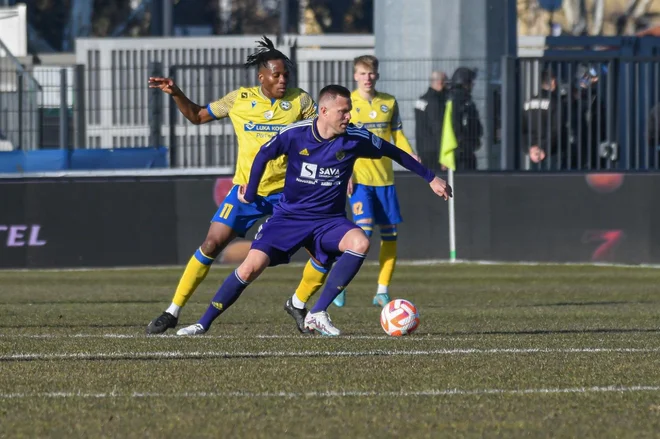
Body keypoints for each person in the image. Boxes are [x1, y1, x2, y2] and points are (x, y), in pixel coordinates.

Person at [176, 84, 451, 336]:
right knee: (250, 268)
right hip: (289, 218)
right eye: (343, 112)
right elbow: (263, 154)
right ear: (324, 111)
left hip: (328, 221)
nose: (349, 117)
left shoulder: (355, 137)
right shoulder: (295, 134)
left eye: (350, 111)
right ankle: (203, 323)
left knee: (360, 242)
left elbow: (395, 152)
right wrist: (250, 192)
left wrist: (430, 178)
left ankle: (318, 312)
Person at [145, 36, 317, 334]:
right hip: (246, 192)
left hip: (287, 195)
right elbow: (198, 116)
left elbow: (322, 135)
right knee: (211, 244)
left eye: (285, 74)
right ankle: (173, 311)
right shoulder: (239, 99)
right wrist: (175, 92)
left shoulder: (300, 101)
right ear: (261, 76)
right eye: (276, 75)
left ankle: (304, 306)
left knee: (320, 250)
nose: (282, 80)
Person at [290, 55, 419, 312]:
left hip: (386, 181)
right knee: (362, 235)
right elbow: (341, 142)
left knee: (391, 236)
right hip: (359, 181)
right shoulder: (349, 105)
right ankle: (340, 286)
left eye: (371, 73)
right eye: (362, 73)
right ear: (355, 76)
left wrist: (411, 154)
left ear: (377, 75)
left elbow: (397, 136)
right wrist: (345, 173)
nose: (367, 78)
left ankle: (382, 290)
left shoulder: (389, 102)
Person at [521, 69, 570, 168]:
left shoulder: (528, 102)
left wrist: (530, 149)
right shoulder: (555, 102)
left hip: (533, 154)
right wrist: (544, 148)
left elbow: (521, 129)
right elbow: (557, 129)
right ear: (552, 81)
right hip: (552, 152)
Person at [443, 67, 483, 170]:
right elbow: (464, 125)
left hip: (459, 151)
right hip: (463, 154)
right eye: (470, 83)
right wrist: (469, 143)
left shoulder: (451, 99)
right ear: (464, 83)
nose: (472, 85)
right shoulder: (462, 102)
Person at [415, 71, 448, 171]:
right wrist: (443, 156)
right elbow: (437, 128)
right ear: (440, 83)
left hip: (422, 149)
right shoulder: (435, 102)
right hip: (435, 151)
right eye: (447, 83)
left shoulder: (421, 100)